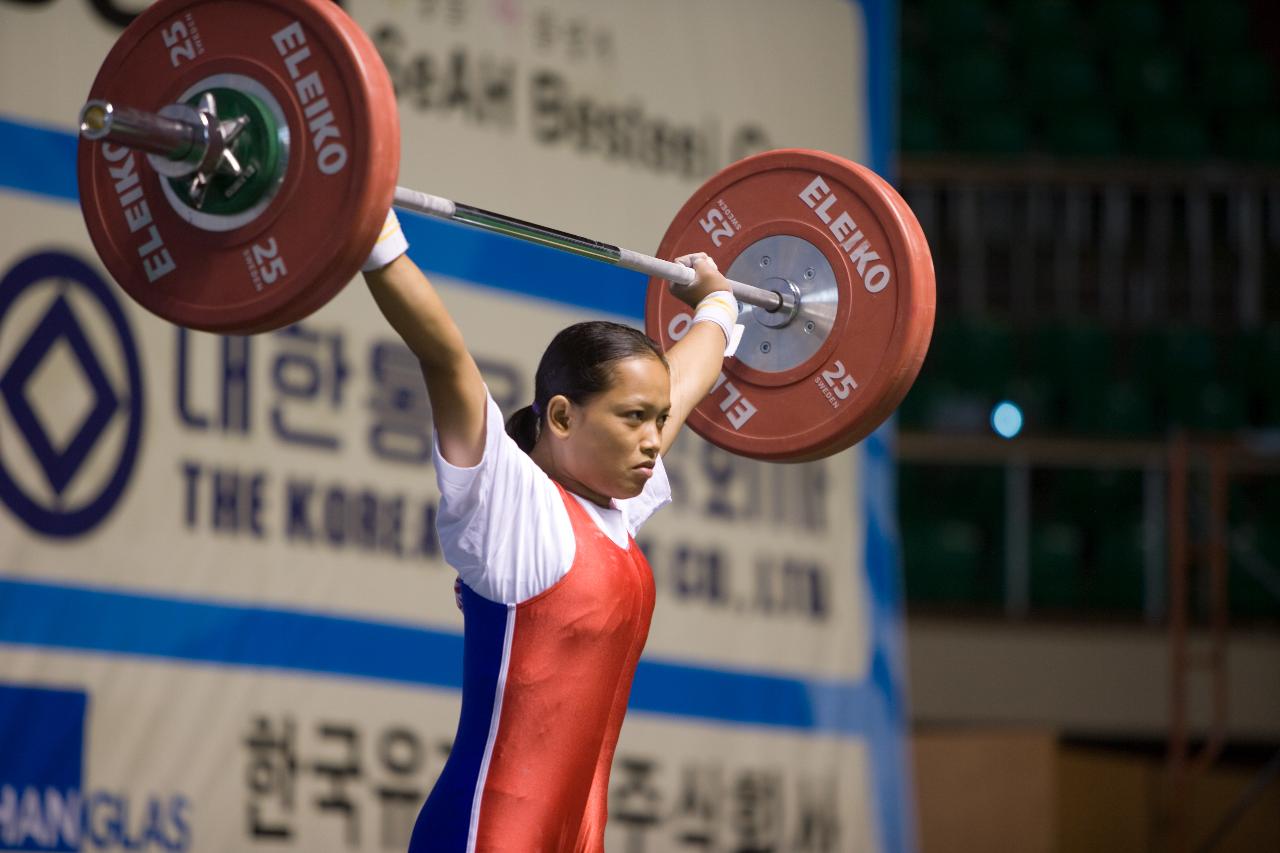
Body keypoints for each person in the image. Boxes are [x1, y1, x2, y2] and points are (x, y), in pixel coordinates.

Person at [360, 208, 740, 852]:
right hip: (484, 835)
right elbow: (444, 355)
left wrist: (719, 306)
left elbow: (688, 377)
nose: (654, 441)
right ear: (562, 418)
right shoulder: (512, 506)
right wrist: (368, 231)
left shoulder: (616, 501)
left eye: (659, 420)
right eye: (634, 419)